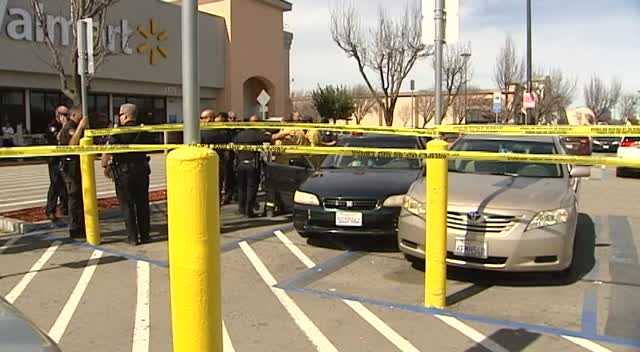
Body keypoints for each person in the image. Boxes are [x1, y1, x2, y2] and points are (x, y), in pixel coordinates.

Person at [101, 104, 151, 245]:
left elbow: (107, 152)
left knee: (127, 205)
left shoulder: (117, 132)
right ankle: (145, 235)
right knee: (143, 204)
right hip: (142, 170)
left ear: (126, 115)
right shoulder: (144, 130)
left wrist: (105, 165)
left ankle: (132, 238)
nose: (119, 118)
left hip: (124, 173)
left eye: (120, 115)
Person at [233, 115, 275, 217]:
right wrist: (286, 133)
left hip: (240, 164)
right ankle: (248, 211)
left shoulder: (240, 135)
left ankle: (241, 209)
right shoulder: (257, 134)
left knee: (242, 188)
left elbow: (234, 148)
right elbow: (272, 138)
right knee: (251, 188)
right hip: (252, 164)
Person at [59, 106, 88, 239]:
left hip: (77, 167)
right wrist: (80, 127)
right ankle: (75, 228)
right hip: (70, 168)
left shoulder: (73, 126)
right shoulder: (70, 127)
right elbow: (72, 145)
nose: (83, 118)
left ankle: (81, 226)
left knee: (80, 198)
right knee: (74, 198)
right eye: (81, 116)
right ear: (74, 115)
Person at [201, 109, 231, 201]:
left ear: (211, 119)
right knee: (216, 191)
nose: (202, 120)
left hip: (205, 165)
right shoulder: (222, 132)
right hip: (217, 165)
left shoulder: (198, 133)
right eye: (202, 118)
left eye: (203, 118)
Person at [45, 106, 69, 221]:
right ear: (58, 114)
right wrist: (64, 126)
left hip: (64, 158)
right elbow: (58, 138)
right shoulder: (52, 126)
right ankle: (50, 210)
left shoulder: (67, 125)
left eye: (67, 114)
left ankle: (65, 208)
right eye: (64, 114)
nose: (66, 117)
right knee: (55, 184)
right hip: (54, 159)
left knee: (65, 184)